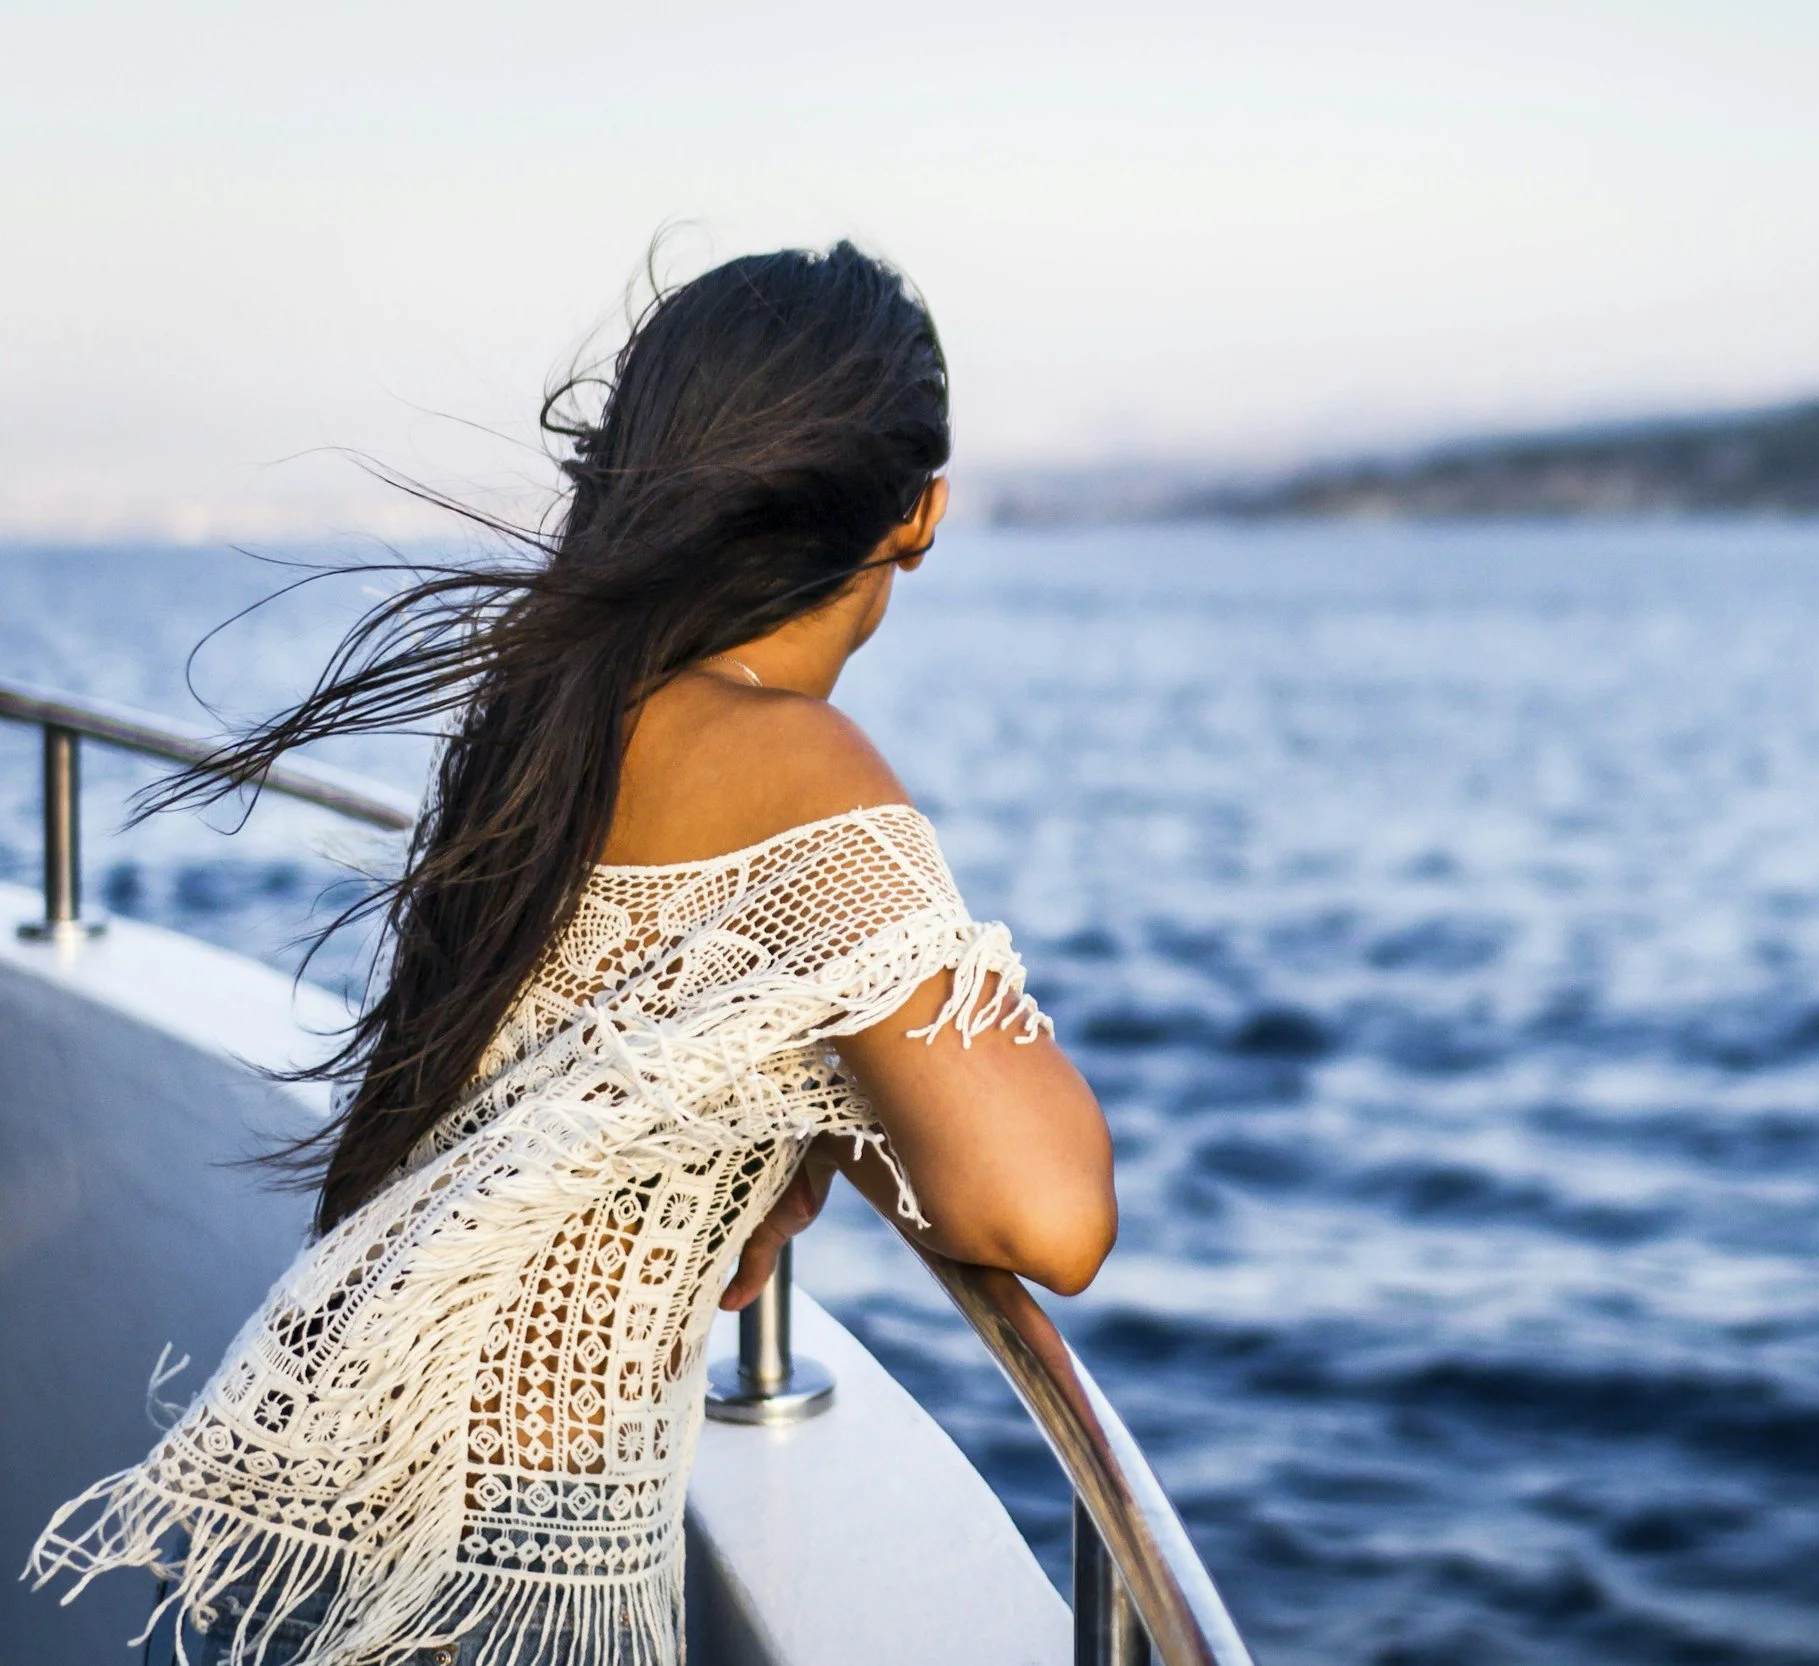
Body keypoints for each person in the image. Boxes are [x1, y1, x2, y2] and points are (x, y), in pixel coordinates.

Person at [24, 243, 1116, 1665]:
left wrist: (808, 1097)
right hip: (507, 1569)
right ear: (921, 515)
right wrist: (851, 1107)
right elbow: (1047, 1217)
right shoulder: (795, 764)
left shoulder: (556, 706)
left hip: (351, 1480)